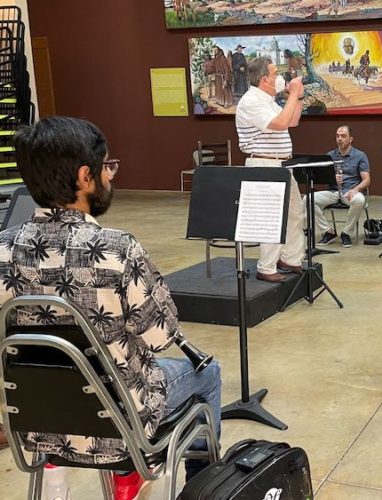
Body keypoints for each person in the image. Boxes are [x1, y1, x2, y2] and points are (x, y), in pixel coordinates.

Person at [0, 116, 222, 500]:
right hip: (119, 423)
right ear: (84, 177)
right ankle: (199, 487)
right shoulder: (117, 249)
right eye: (107, 167)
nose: (111, 177)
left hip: (35, 425)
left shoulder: (2, 248)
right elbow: (159, 337)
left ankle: (69, 471)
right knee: (209, 373)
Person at [235, 56, 306, 283]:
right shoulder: (251, 101)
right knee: (271, 219)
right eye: (276, 75)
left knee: (295, 213)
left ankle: (290, 258)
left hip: (281, 164)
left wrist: (299, 96)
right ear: (264, 79)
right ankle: (266, 267)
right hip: (264, 164)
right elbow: (280, 124)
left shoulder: (268, 100)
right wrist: (293, 94)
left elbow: (292, 121)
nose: (279, 79)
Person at [313, 126, 371, 248]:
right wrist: (332, 178)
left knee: (359, 200)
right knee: (307, 200)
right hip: (334, 191)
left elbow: (367, 180)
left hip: (350, 191)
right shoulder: (330, 155)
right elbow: (323, 177)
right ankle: (328, 232)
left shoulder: (360, 155)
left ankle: (346, 233)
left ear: (350, 139)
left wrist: (355, 190)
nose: (339, 139)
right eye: (337, 136)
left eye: (343, 136)